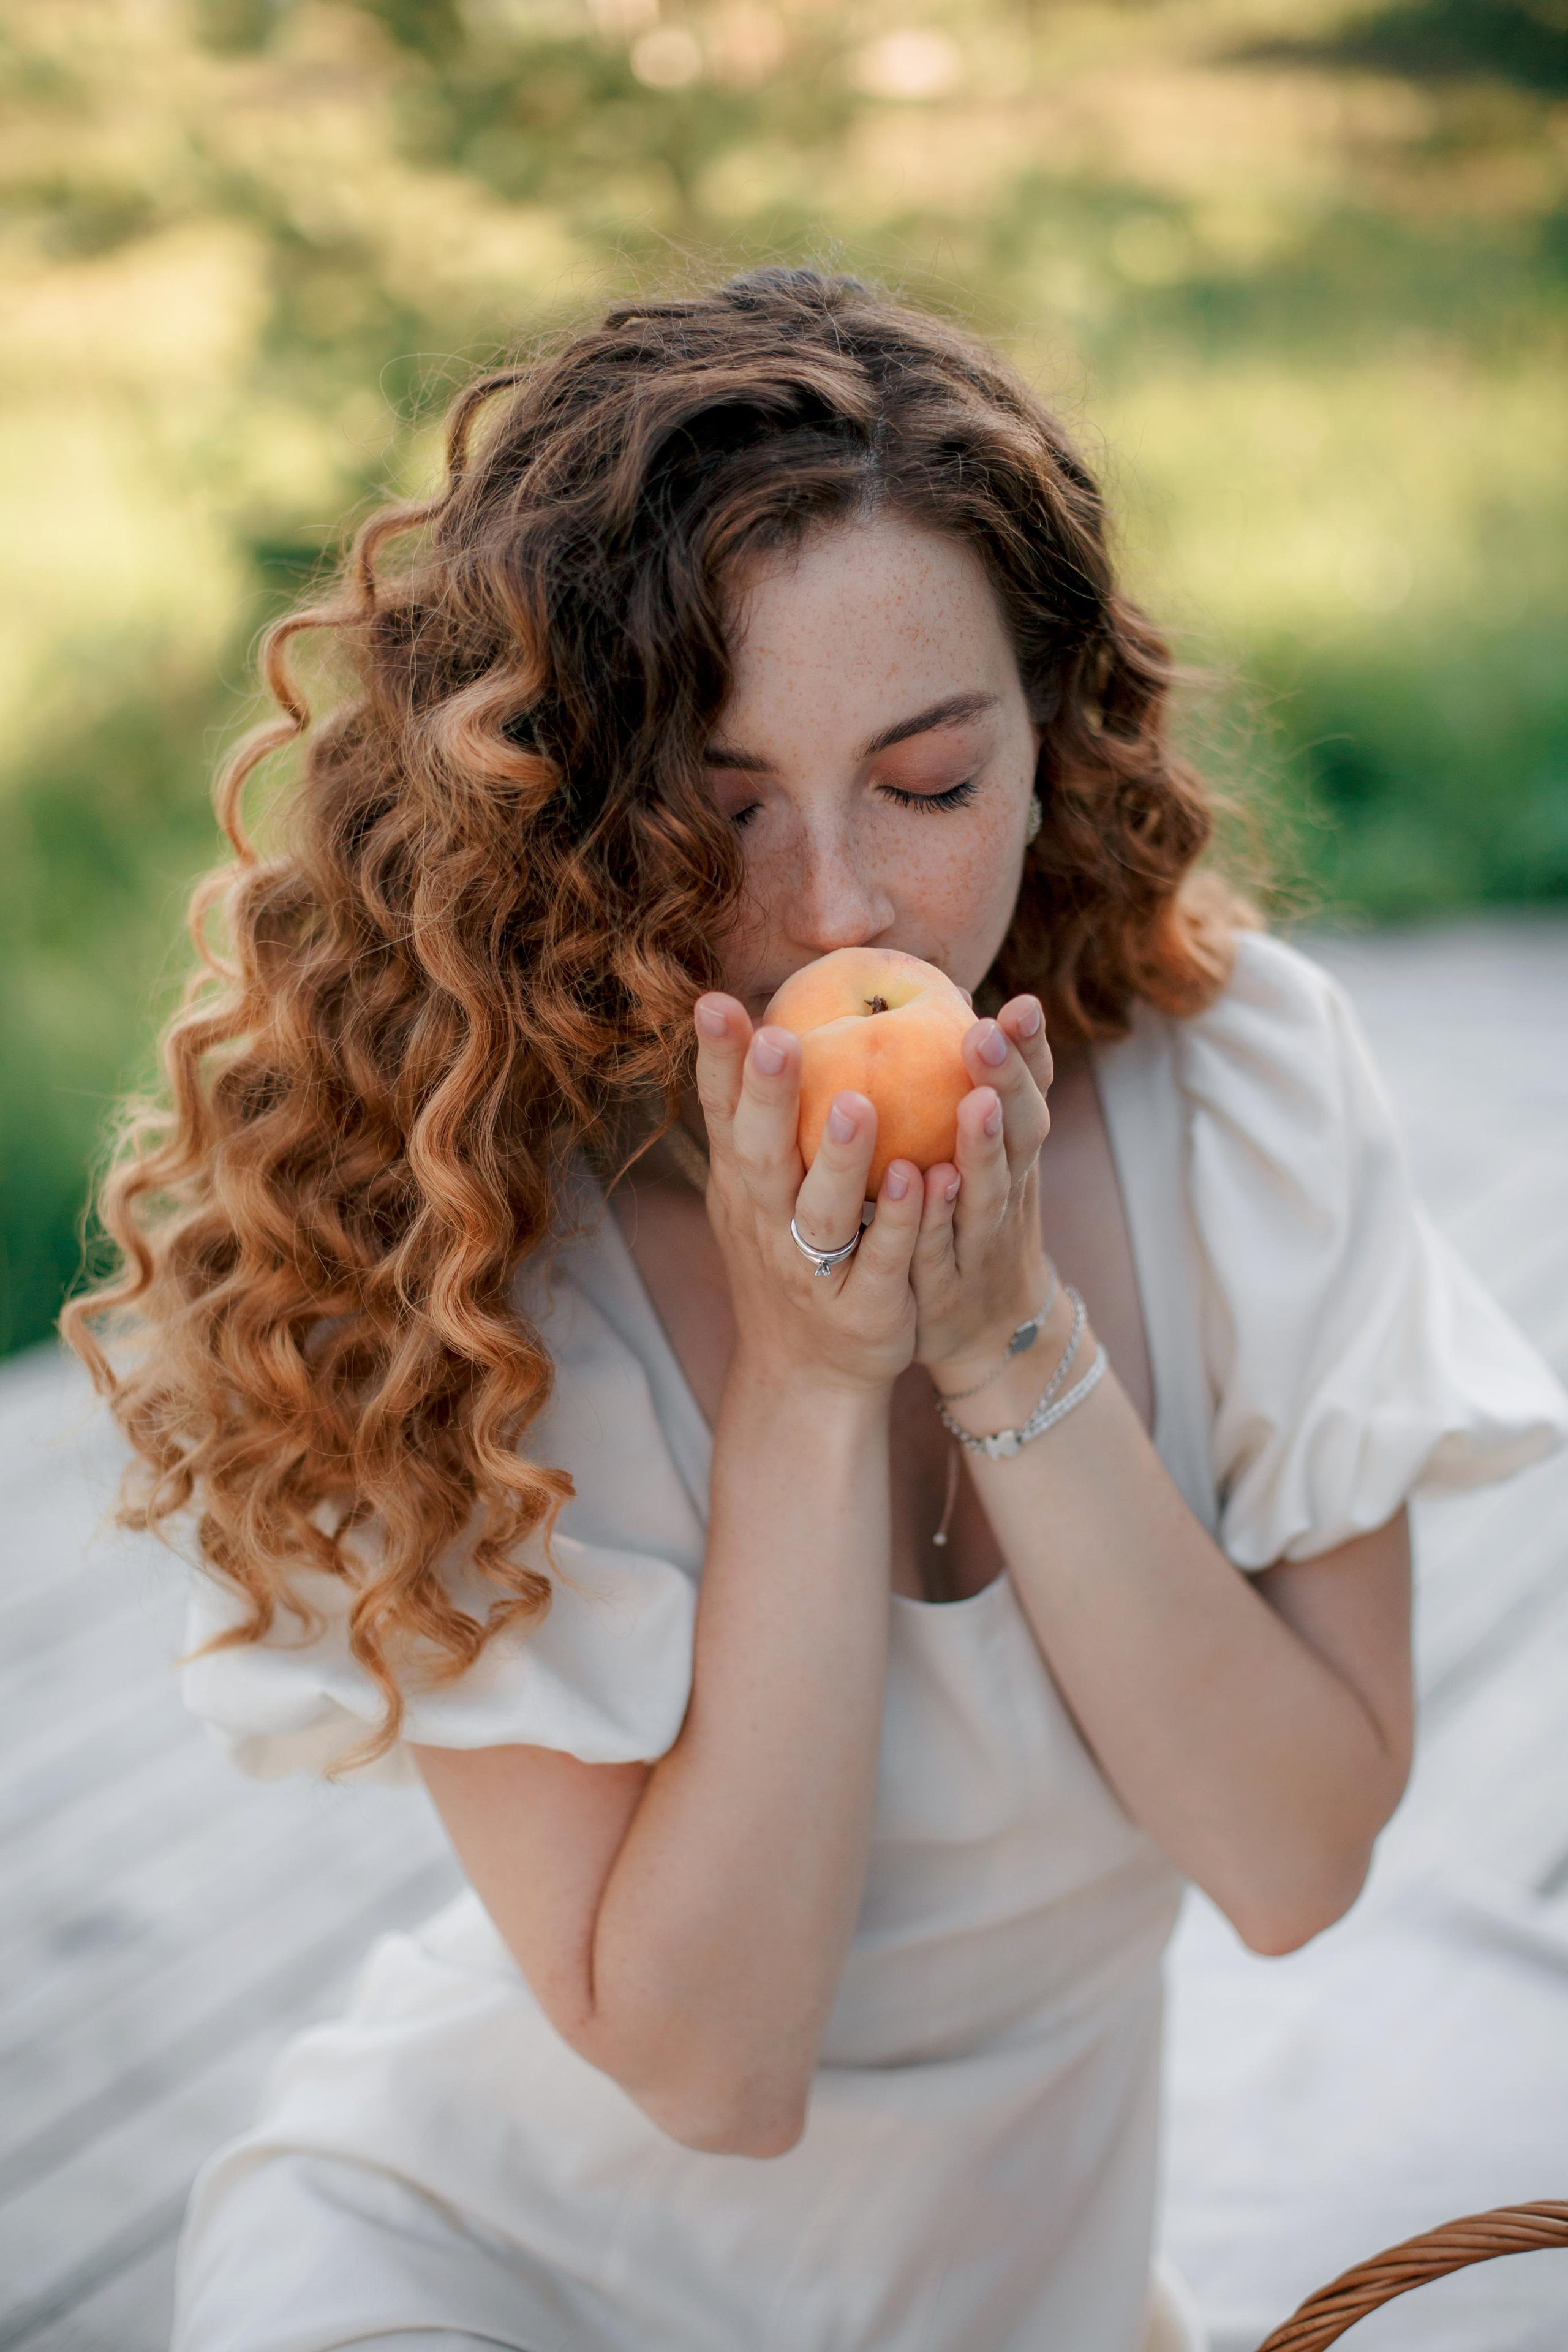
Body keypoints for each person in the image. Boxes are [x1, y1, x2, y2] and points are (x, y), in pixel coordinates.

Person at [67, 268, 1567, 2352]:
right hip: (492, 2280)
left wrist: (1006, 1330)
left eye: (930, 783)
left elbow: (1296, 1858)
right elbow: (711, 2068)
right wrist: (805, 1386)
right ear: (571, 802)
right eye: (723, 797)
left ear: (1054, 750)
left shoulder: (1249, 1098)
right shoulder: (470, 1251)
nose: (840, 910)